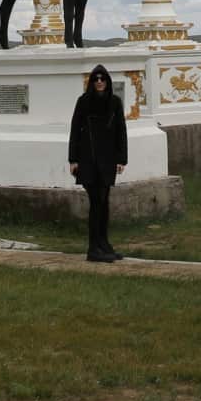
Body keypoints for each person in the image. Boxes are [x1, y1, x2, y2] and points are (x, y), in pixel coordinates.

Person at [67, 62, 128, 262]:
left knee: (104, 202)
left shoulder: (115, 103)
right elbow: (75, 130)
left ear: (107, 81)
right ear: (92, 82)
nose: (99, 82)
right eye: (96, 79)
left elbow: (121, 131)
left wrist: (121, 159)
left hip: (107, 159)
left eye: (102, 79)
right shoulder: (84, 102)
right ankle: (93, 248)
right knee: (96, 202)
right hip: (88, 159)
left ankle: (104, 244)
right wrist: (73, 159)